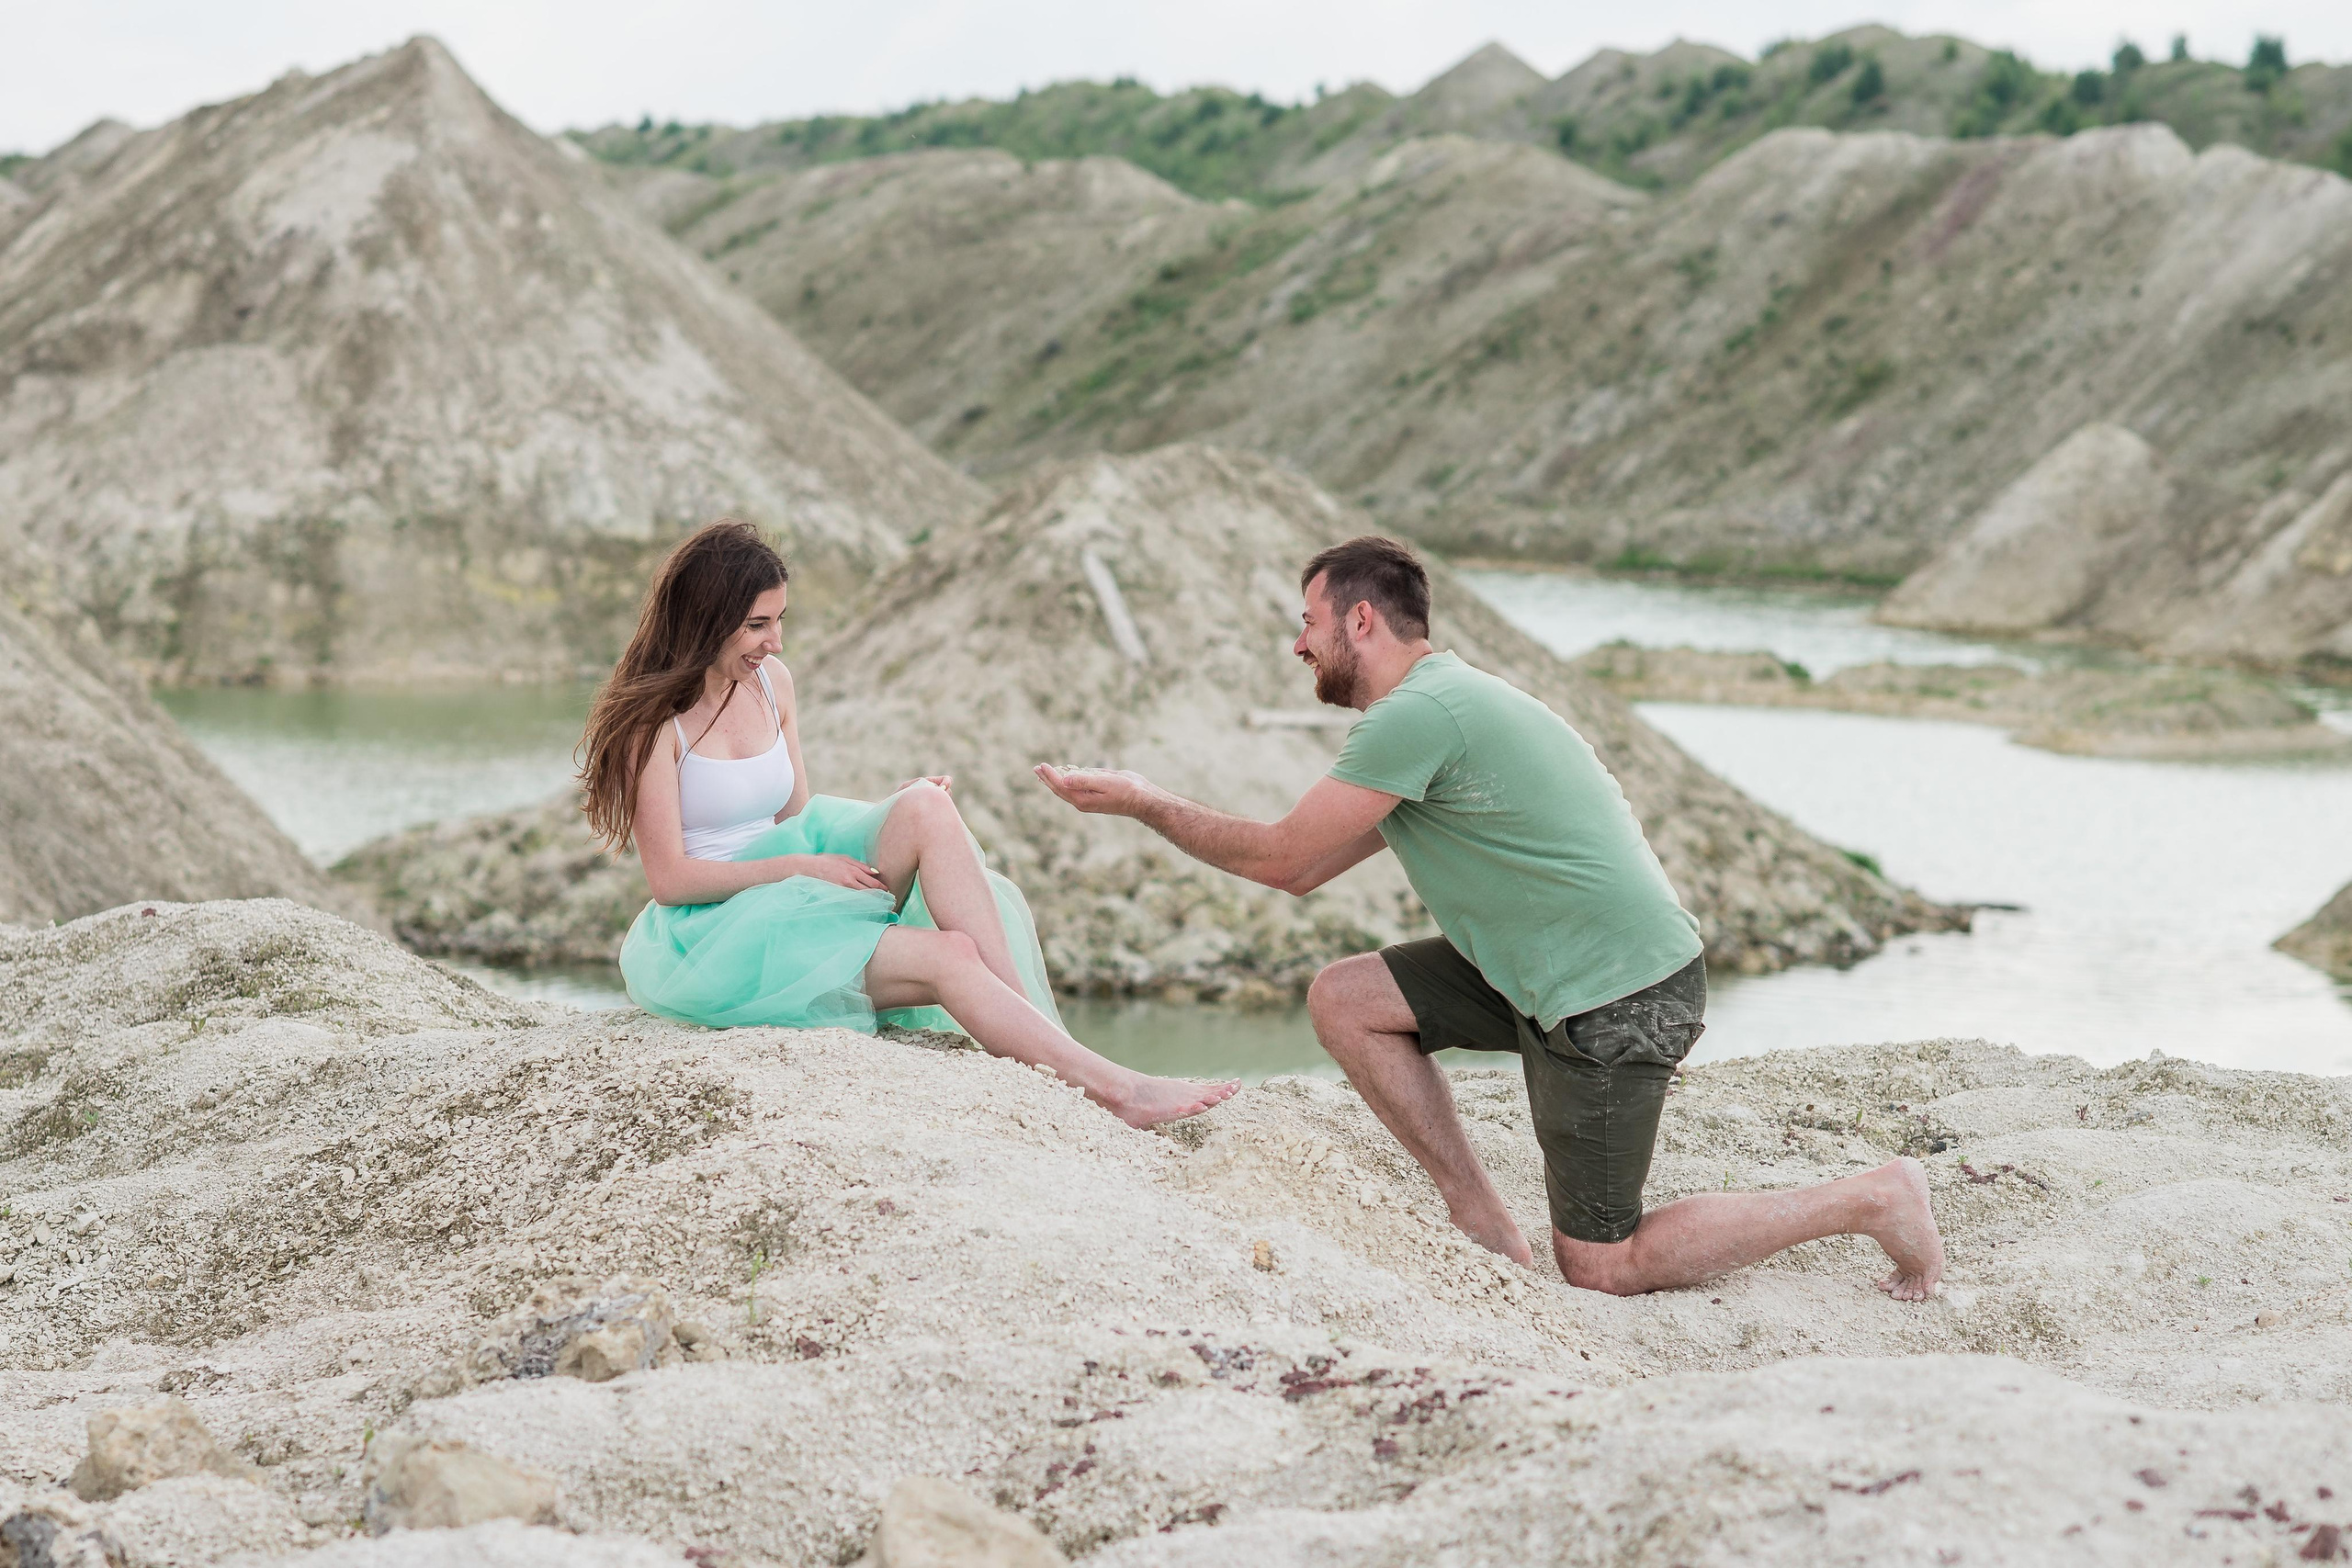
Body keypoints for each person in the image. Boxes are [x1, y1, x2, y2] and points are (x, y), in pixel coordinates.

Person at [1035, 536, 1945, 1296]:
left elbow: (1278, 861)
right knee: (1346, 998)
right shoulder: (1439, 706)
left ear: (1361, 620)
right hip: (1542, 971)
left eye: (1306, 623)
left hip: (1621, 995)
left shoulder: (1419, 714)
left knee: (1601, 1265)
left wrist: (1147, 801)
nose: (1298, 645)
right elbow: (1309, 868)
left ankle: (1872, 1199)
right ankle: (1476, 1213)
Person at [579, 518, 1238, 1129]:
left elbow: (799, 818)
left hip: (794, 890)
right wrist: (801, 869)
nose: (775, 642)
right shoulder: (653, 725)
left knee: (927, 804)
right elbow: (670, 880)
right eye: (757, 625)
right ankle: (1114, 1089)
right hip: (718, 933)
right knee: (951, 955)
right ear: (707, 620)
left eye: (780, 620)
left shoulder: (772, 681)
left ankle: (1066, 1054)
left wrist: (888, 811)